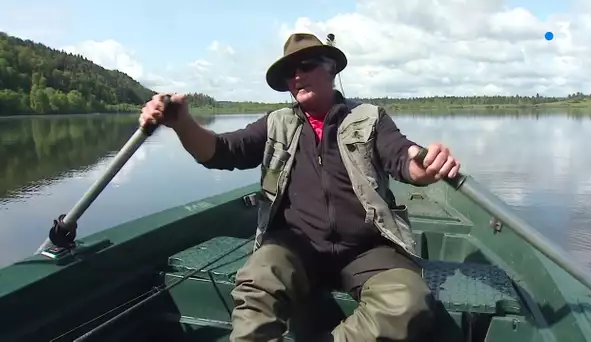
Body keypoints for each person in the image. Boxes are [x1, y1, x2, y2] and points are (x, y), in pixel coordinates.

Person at [139, 33, 461, 342]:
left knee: (409, 301)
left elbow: (402, 157)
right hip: (297, 245)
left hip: (369, 249)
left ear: (331, 68)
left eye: (306, 66)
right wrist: (183, 123)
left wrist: (425, 166)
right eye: (289, 73)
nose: (296, 77)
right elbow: (221, 150)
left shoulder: (369, 118)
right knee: (255, 285)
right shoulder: (276, 122)